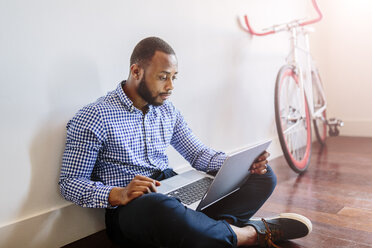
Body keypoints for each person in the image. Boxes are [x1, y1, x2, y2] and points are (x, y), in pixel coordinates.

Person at [59, 37, 312, 248]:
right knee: (161, 207)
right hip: (136, 208)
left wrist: (242, 164)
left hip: (175, 193)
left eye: (174, 77)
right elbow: (70, 183)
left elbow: (199, 154)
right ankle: (251, 234)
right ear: (136, 71)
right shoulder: (94, 116)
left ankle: (207, 233)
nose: (170, 87)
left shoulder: (168, 111)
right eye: (163, 77)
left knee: (264, 177)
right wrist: (119, 193)